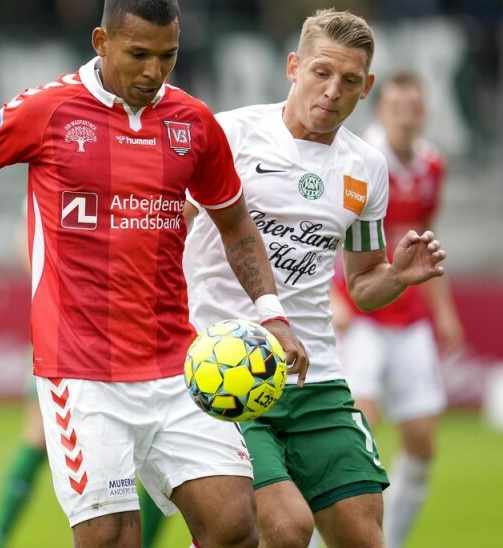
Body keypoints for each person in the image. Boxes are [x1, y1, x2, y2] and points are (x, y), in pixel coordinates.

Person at [0, 1, 310, 547]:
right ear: (101, 42)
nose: (153, 71)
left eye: (167, 56)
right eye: (138, 55)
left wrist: (273, 314)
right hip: (83, 374)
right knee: (108, 540)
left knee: (234, 527)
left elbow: (237, 226)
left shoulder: (194, 123)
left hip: (178, 369)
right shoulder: (47, 110)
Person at [184, 10, 448, 548]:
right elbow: (171, 237)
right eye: (321, 73)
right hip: (228, 368)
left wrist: (397, 276)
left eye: (350, 81)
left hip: (316, 376)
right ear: (293, 67)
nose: (333, 91)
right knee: (286, 528)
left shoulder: (365, 167)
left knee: (364, 533)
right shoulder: (229, 134)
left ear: (366, 87)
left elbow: (364, 284)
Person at [330, 71, 465, 548]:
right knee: (355, 432)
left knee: (423, 441)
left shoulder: (431, 166)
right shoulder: (359, 161)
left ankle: (392, 540)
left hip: (409, 321)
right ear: (380, 109)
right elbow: (330, 231)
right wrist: (330, 298)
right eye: (396, 107)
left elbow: (425, 245)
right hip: (361, 316)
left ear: (424, 112)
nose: (406, 116)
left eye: (414, 107)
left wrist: (444, 313)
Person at [0, 207, 167, 548]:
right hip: (70, 330)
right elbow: (26, 236)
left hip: (147, 327)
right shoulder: (63, 165)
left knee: (160, 454)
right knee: (37, 437)